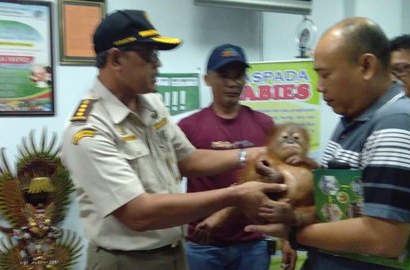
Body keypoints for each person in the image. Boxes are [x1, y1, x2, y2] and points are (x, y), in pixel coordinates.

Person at [60, 10, 286, 270]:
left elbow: (189, 159)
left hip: (173, 252)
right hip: (127, 261)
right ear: (116, 59)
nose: (158, 65)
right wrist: (235, 195)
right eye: (149, 55)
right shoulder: (88, 128)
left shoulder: (150, 103)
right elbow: (138, 213)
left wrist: (252, 154)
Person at [245, 17, 410, 269]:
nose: (319, 87)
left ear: (366, 66)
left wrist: (293, 232)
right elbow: (333, 205)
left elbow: (382, 238)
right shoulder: (354, 117)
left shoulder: (397, 124)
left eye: (325, 75)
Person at [177, 43, 275, 270]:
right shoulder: (188, 127)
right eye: (223, 75)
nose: (233, 83)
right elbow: (172, 178)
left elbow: (276, 180)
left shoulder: (264, 124)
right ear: (207, 79)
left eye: (239, 75)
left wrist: (287, 235)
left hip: (253, 241)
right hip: (204, 244)